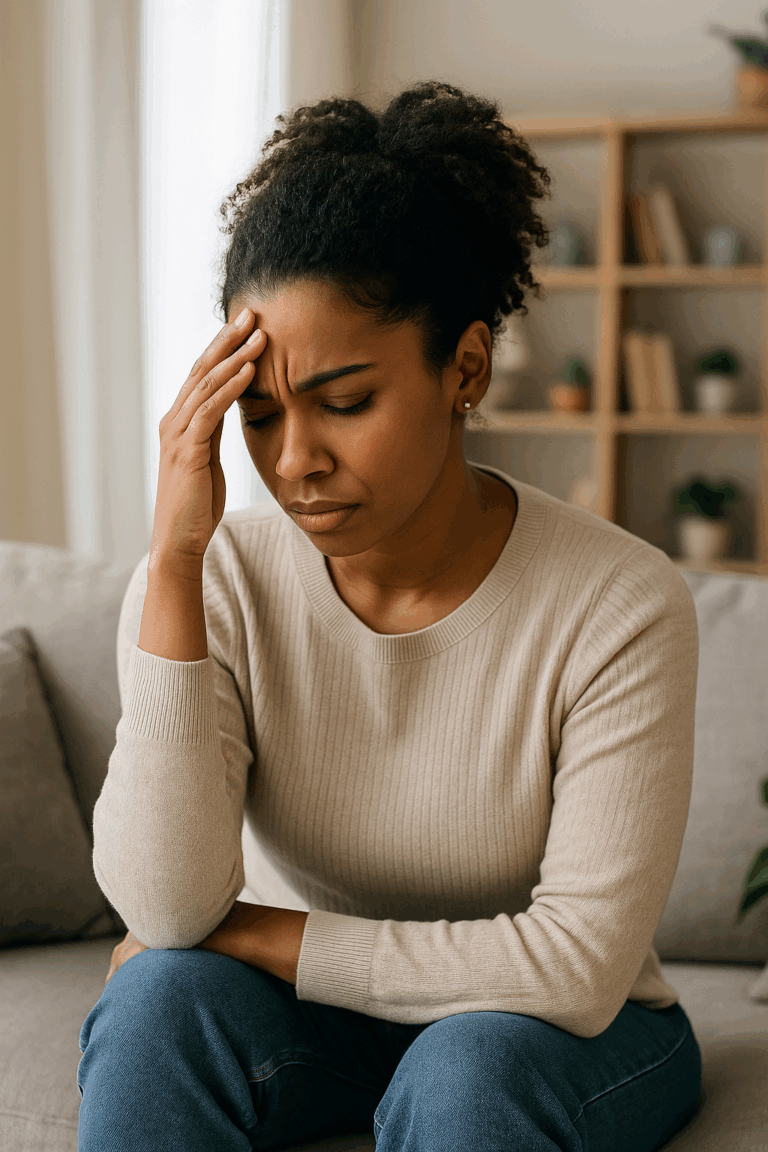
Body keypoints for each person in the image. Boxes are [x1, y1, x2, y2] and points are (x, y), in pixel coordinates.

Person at [77, 80, 702, 1151]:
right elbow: (167, 916)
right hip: (323, 1018)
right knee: (152, 1007)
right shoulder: (215, 579)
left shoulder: (619, 604)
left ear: (466, 368)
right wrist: (176, 562)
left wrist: (257, 932)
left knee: (467, 1071)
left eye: (345, 402)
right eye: (258, 415)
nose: (294, 461)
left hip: (558, 1033)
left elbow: (576, 967)